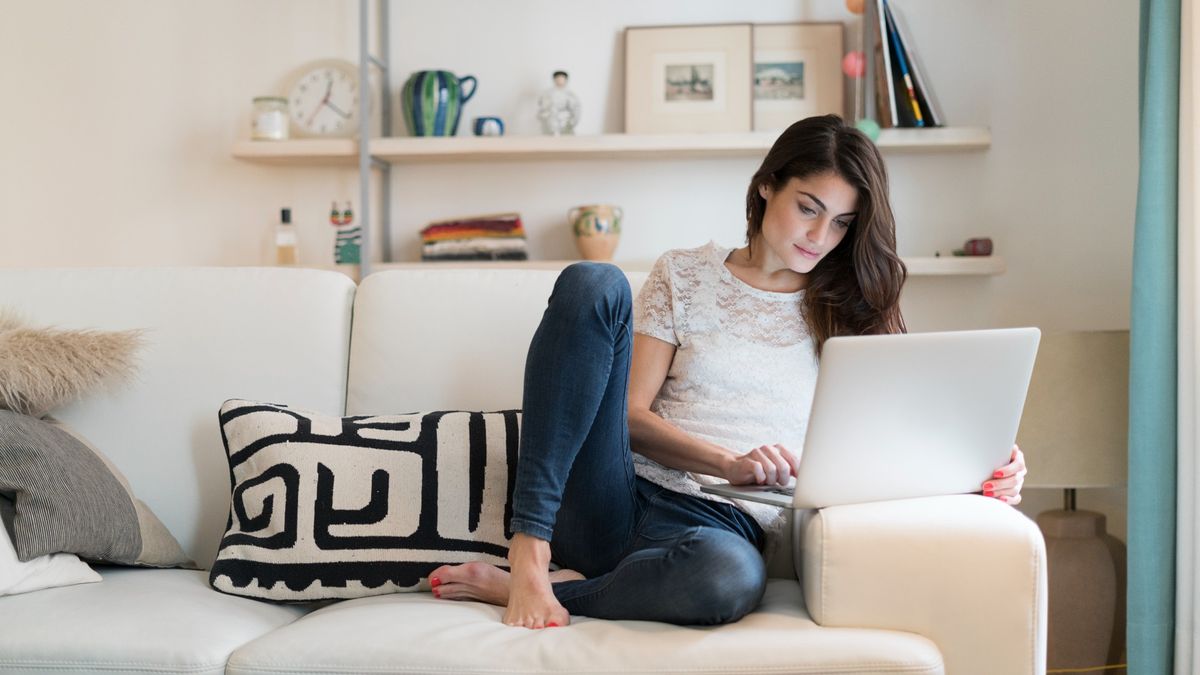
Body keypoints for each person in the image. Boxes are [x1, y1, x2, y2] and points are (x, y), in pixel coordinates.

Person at [428, 114, 1027, 628]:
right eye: (809, 208)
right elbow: (630, 417)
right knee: (594, 282)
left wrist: (985, 464)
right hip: (614, 495)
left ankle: (544, 591)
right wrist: (728, 462)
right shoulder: (684, 273)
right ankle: (529, 553)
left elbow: (902, 437)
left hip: (720, 528)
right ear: (768, 186)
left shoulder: (855, 308)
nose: (821, 236)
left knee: (731, 580)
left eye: (842, 223)